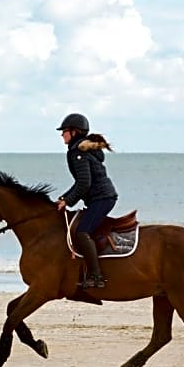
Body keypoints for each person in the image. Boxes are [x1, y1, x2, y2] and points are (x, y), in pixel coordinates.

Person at [55, 113, 118, 289]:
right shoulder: (81, 151)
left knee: (82, 232)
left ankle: (96, 276)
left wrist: (67, 201)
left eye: (64, 131)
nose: (62, 135)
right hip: (100, 197)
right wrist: (64, 198)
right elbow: (81, 183)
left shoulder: (78, 152)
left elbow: (84, 183)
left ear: (74, 132)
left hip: (103, 198)